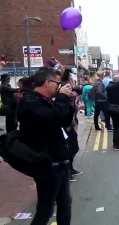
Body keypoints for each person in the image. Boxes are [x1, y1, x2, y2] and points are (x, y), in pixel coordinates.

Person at [17, 67, 74, 225]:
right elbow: (52, 119)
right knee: (46, 209)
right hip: (47, 164)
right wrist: (62, 98)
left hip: (59, 161)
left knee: (65, 205)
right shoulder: (30, 102)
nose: (59, 86)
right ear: (47, 83)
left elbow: (63, 121)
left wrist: (68, 101)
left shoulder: (46, 101)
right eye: (57, 83)